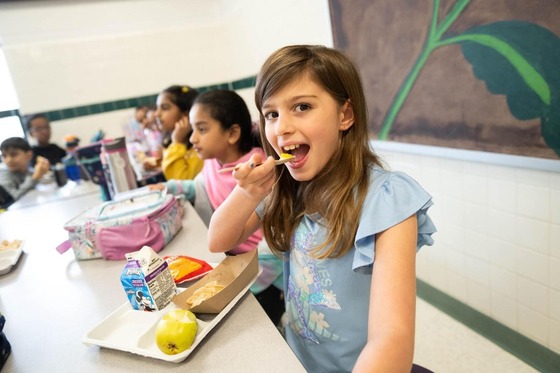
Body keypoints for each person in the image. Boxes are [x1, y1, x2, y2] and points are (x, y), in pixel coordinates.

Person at [207, 45, 436, 372]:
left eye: (301, 107)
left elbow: (392, 337)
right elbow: (219, 241)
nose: (281, 127)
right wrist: (248, 193)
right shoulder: (287, 190)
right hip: (296, 360)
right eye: (271, 114)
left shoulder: (386, 200)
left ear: (345, 115)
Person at [150, 89, 284, 324]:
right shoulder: (214, 164)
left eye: (201, 129)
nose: (192, 139)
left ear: (232, 133)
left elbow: (273, 237)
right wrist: (167, 187)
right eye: (193, 130)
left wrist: (242, 280)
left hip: (261, 276)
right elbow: (199, 187)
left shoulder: (258, 170)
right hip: (230, 260)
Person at [154, 85, 203, 180]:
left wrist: (177, 142)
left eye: (164, 108)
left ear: (186, 114)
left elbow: (180, 183)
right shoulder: (172, 139)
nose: (157, 114)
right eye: (157, 108)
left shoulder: (199, 147)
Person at [0, 137, 50, 203]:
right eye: (4, 156)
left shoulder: (29, 171)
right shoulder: (4, 176)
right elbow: (13, 199)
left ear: (29, 155)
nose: (8, 160)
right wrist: (35, 177)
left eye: (13, 154)